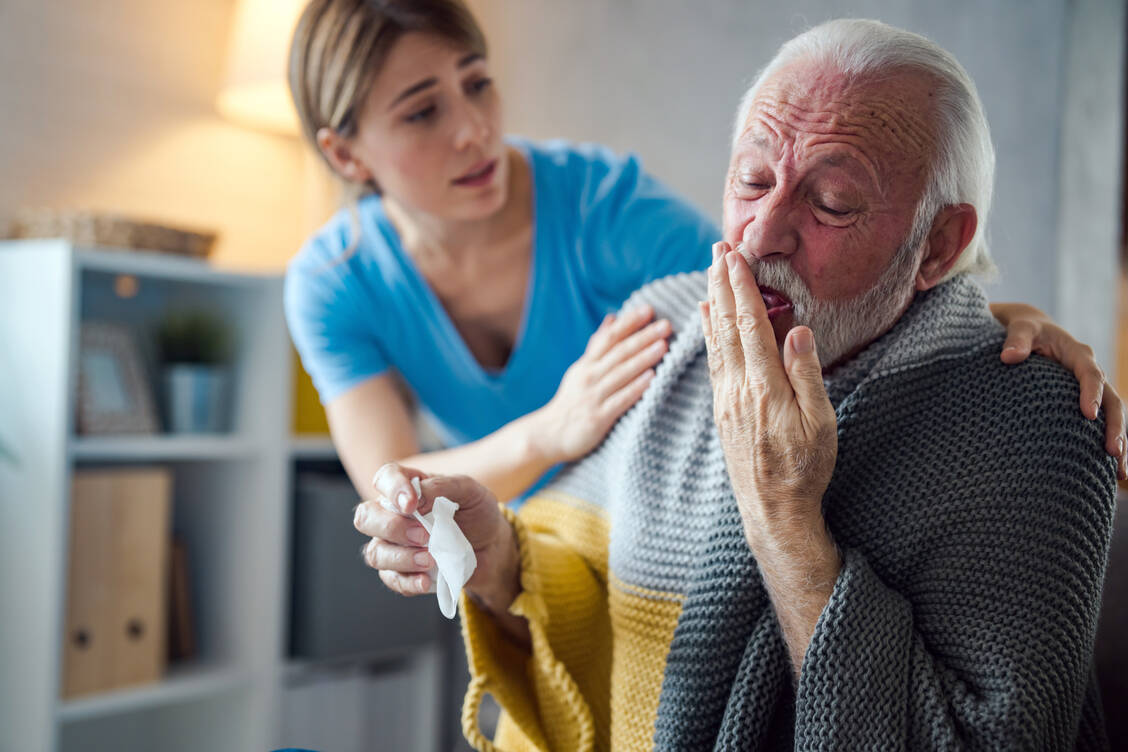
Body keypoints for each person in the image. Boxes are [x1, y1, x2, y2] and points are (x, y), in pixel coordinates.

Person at [359, 19, 1121, 750]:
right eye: (753, 180)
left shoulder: (1040, 427)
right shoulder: (664, 327)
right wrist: (497, 557)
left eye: (831, 203)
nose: (759, 235)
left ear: (941, 244)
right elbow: (594, 576)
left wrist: (785, 521)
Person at [284, 0, 1126, 517]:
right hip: (498, 540)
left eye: (476, 83)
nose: (473, 129)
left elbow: (793, 290)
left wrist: (985, 315)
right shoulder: (332, 282)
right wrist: (552, 430)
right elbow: (388, 479)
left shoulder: (600, 206)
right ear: (345, 153)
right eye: (422, 112)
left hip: (646, 525)